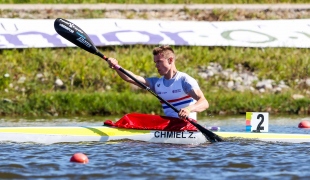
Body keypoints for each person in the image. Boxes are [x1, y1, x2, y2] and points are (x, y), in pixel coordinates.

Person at [107, 45, 209, 120]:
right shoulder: (157, 83)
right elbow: (131, 78)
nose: (156, 65)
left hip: (187, 126)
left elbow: (204, 102)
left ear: (170, 60)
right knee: (133, 118)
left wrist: (188, 109)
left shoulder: (184, 80)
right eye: (155, 62)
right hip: (169, 124)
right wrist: (117, 67)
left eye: (159, 61)